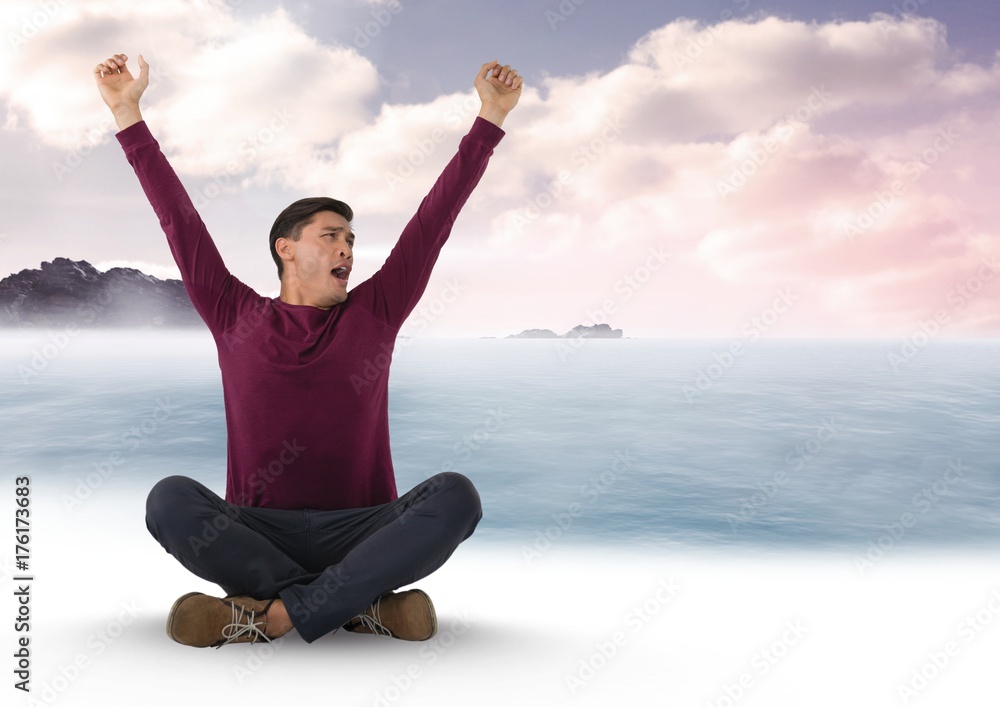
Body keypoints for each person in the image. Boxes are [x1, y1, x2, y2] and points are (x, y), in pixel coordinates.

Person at [93, 51, 522, 647]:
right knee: (168, 500)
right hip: (258, 533)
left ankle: (267, 617)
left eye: (351, 239)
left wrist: (490, 121)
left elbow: (434, 220)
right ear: (285, 249)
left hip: (364, 530)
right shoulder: (233, 312)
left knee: (457, 496)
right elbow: (178, 221)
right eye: (331, 236)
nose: (348, 249)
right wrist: (126, 114)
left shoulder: (376, 312)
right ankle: (358, 605)